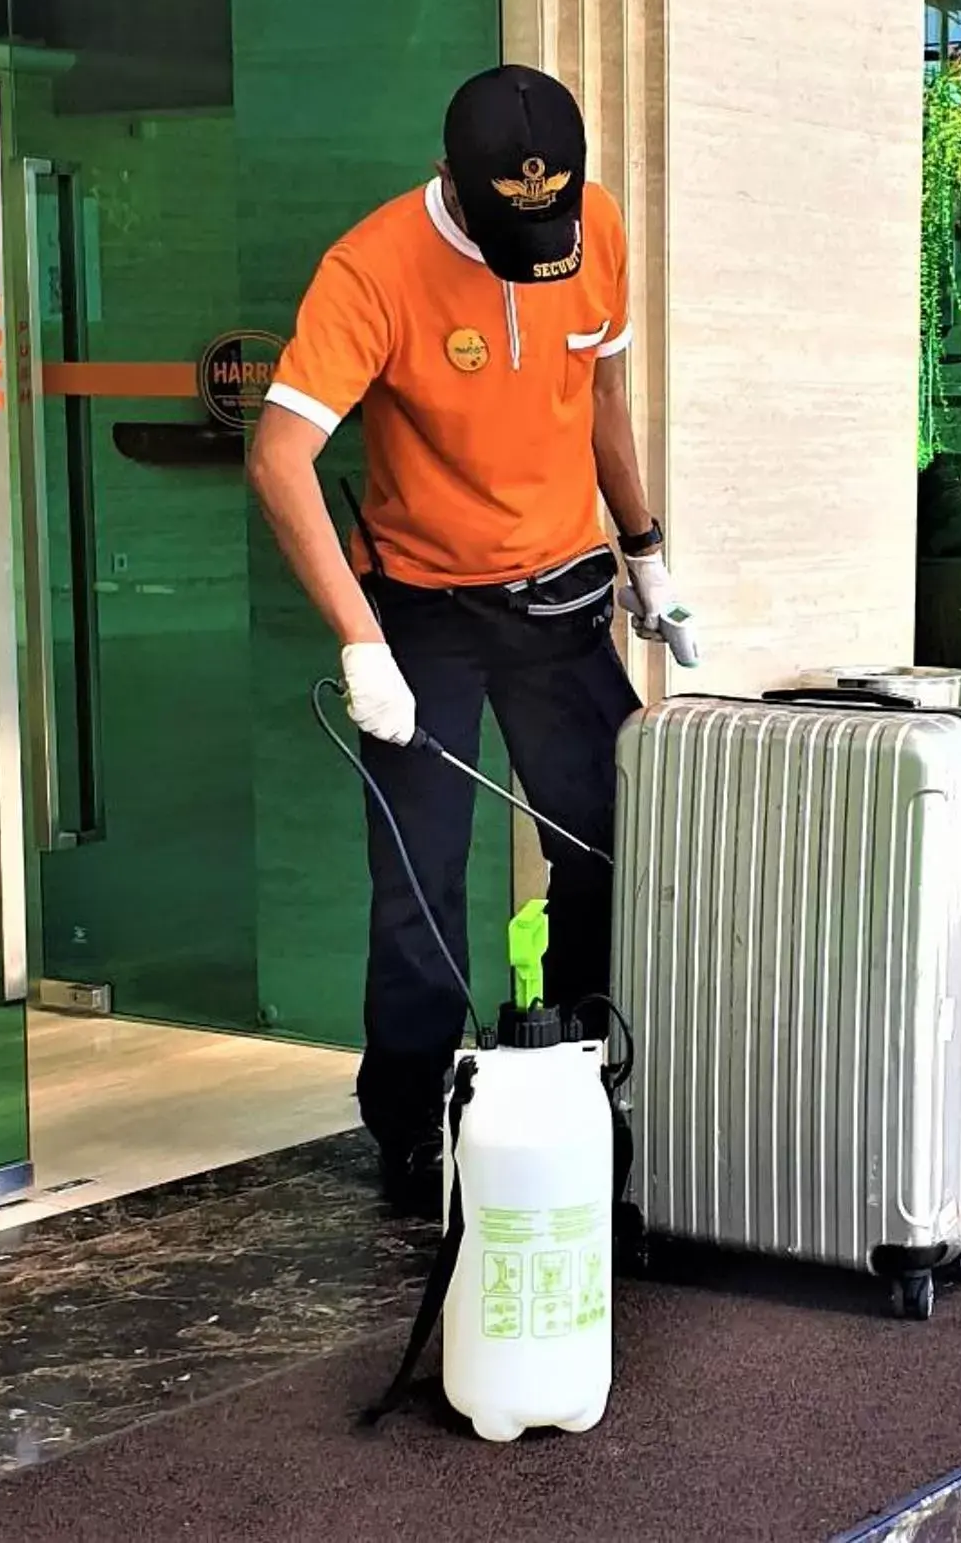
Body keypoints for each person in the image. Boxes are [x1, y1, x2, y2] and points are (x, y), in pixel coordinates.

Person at [248, 65, 686, 1209]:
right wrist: (360, 642)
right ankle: (411, 1123)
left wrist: (644, 552)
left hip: (561, 598)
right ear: (450, 179)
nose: (538, 235)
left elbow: (599, 395)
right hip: (424, 613)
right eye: (510, 219)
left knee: (607, 843)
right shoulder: (373, 266)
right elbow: (279, 457)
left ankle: (593, 1084)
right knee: (418, 880)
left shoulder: (591, 223)